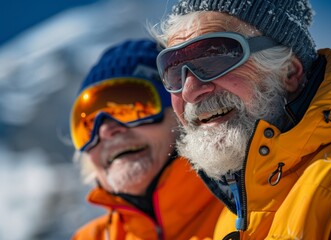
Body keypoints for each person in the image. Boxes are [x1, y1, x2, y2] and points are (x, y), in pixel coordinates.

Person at [150, 0, 331, 239]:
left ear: (289, 72)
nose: (189, 91)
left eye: (215, 57)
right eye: (174, 71)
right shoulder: (236, 212)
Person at [69, 39, 223, 240]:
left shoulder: (246, 211)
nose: (106, 130)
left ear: (183, 112)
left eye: (132, 107)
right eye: (88, 124)